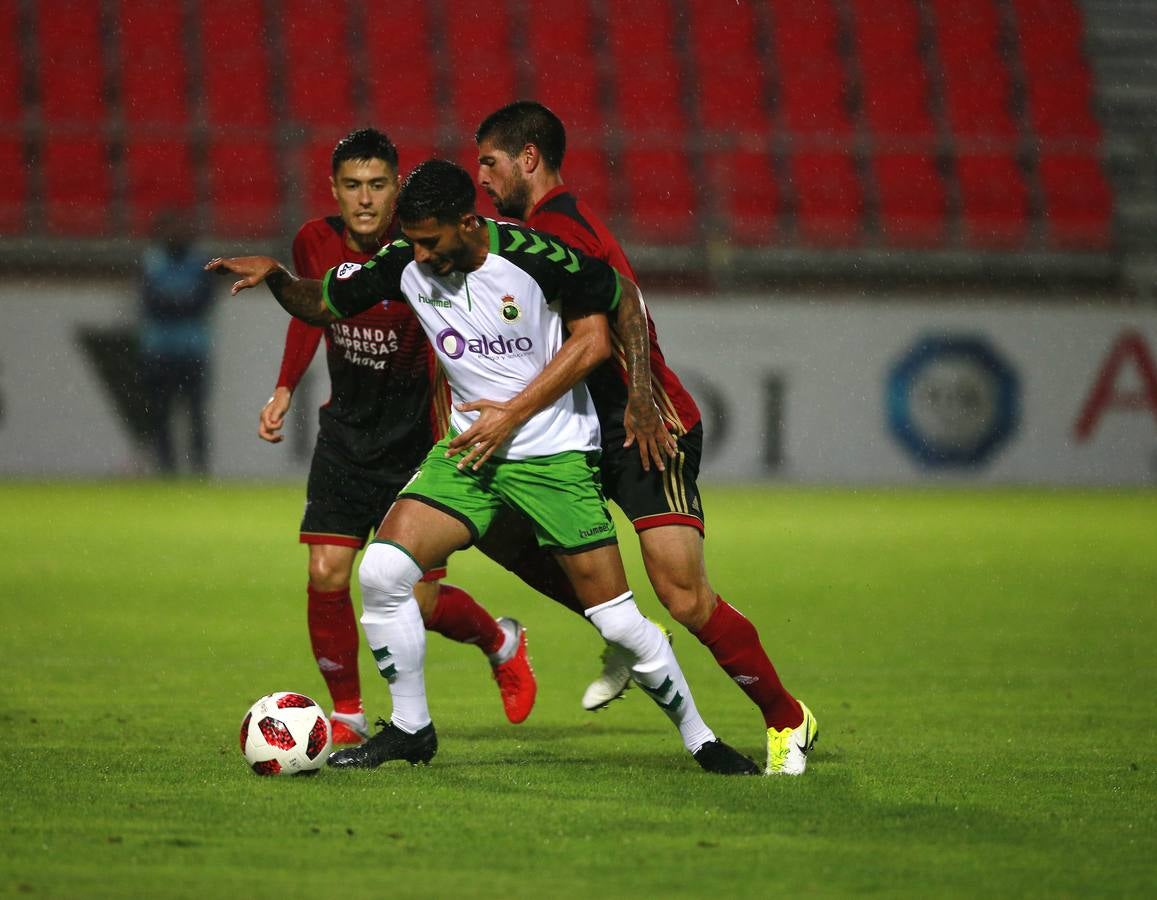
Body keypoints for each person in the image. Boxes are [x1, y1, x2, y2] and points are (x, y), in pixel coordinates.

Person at [207, 159, 759, 775]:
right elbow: (321, 302)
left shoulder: (533, 255)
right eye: (410, 240)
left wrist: (636, 395)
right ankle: (412, 729)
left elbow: (619, 300)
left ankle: (700, 738)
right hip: (470, 454)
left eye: (430, 241)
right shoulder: (403, 261)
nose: (416, 255)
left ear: (468, 222)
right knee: (384, 571)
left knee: (617, 619)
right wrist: (280, 278)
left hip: (553, 457)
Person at [474, 100, 817, 775]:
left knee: (684, 595)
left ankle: (787, 718)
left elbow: (625, 304)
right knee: (494, 524)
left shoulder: (561, 227)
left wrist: (637, 403)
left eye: (490, 161)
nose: (482, 176)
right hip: (579, 431)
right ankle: (627, 634)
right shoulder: (531, 228)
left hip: (646, 427)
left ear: (529, 158)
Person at [256, 129, 536, 745]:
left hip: (415, 440)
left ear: (397, 188)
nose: (365, 199)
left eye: (378, 185)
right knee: (327, 572)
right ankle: (349, 716)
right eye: (352, 186)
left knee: (422, 602)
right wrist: (284, 387)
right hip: (346, 436)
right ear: (334, 190)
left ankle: (500, 640)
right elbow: (315, 313)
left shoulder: (422, 247)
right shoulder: (314, 240)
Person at [139, 210, 216, 475]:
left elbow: (205, 302)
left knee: (196, 414)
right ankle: (166, 469)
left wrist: (172, 302)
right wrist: (184, 302)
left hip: (190, 350)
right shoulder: (152, 262)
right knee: (160, 414)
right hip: (161, 350)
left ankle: (199, 468)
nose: (177, 235)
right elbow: (150, 303)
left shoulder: (199, 263)